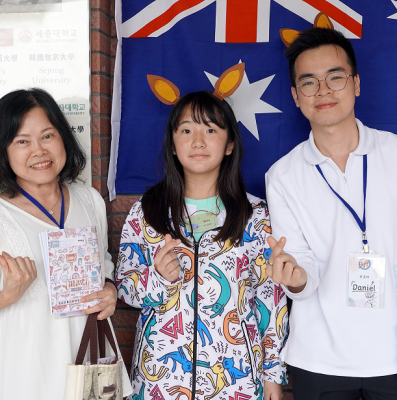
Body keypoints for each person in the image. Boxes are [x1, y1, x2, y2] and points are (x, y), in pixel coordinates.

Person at [265, 28, 397, 399]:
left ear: (355, 84)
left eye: (335, 77)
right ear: (296, 96)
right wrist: (296, 279)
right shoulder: (283, 175)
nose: (323, 91)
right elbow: (302, 268)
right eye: (309, 82)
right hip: (318, 361)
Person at [0, 88, 118, 399]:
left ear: (63, 138)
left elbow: (103, 266)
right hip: (28, 368)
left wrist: (110, 291)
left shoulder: (89, 200)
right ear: (3, 151)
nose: (39, 151)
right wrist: (7, 295)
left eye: (47, 136)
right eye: (22, 141)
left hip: (89, 356)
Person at [116, 91, 289, 400]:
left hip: (235, 381)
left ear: (230, 144)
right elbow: (125, 288)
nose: (198, 142)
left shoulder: (254, 215)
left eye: (210, 130)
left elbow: (270, 301)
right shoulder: (147, 211)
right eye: (186, 130)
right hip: (160, 381)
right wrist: (157, 278)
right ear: (172, 144)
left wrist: (273, 374)